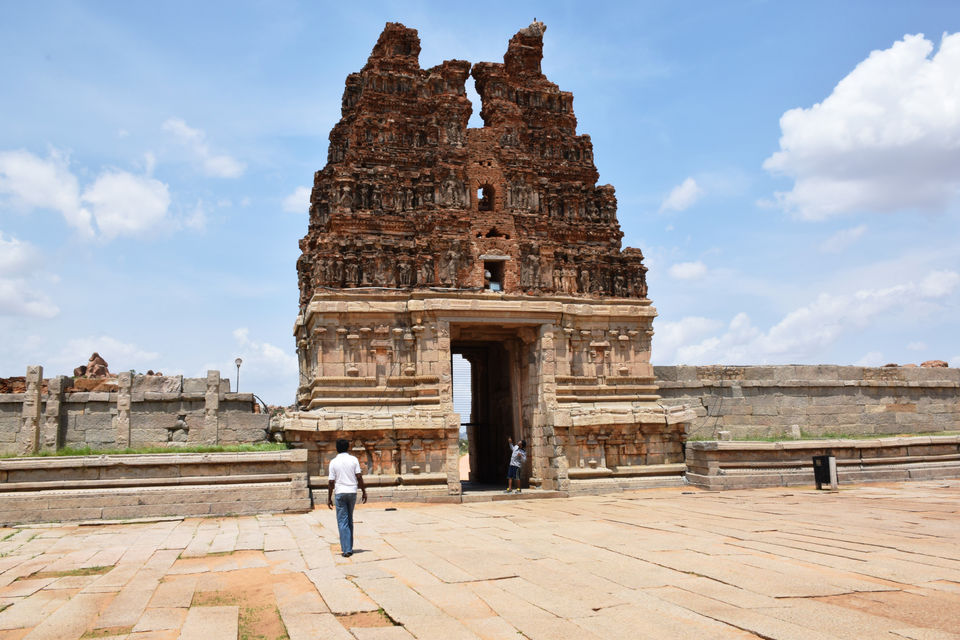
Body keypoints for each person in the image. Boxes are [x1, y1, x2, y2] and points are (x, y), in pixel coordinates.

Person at [327, 438, 367, 557]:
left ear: (337, 448)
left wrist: (329, 497)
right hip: (352, 491)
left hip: (340, 492)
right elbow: (359, 476)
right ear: (348, 448)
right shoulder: (353, 460)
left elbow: (330, 482)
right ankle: (349, 546)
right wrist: (364, 491)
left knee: (342, 521)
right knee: (349, 519)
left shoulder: (333, 462)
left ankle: (346, 549)